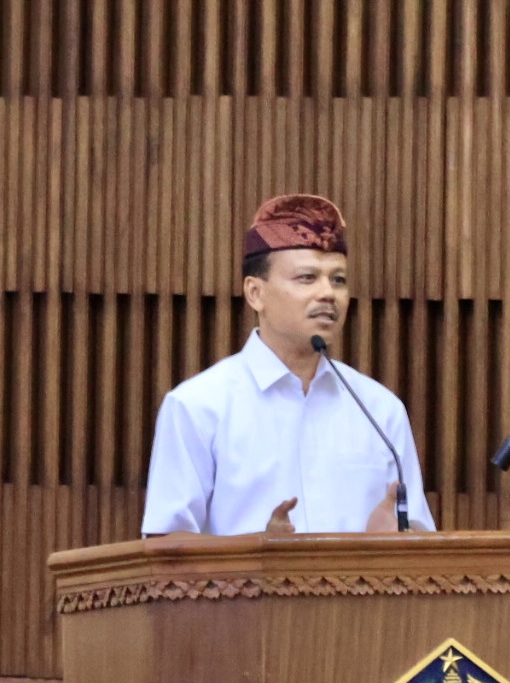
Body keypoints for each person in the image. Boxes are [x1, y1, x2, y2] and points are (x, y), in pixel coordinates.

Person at [141, 193, 435, 536]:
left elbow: (419, 540)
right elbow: (166, 544)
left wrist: (389, 542)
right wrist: (260, 552)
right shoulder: (198, 406)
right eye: (307, 278)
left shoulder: (379, 410)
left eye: (338, 280)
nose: (328, 294)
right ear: (255, 293)